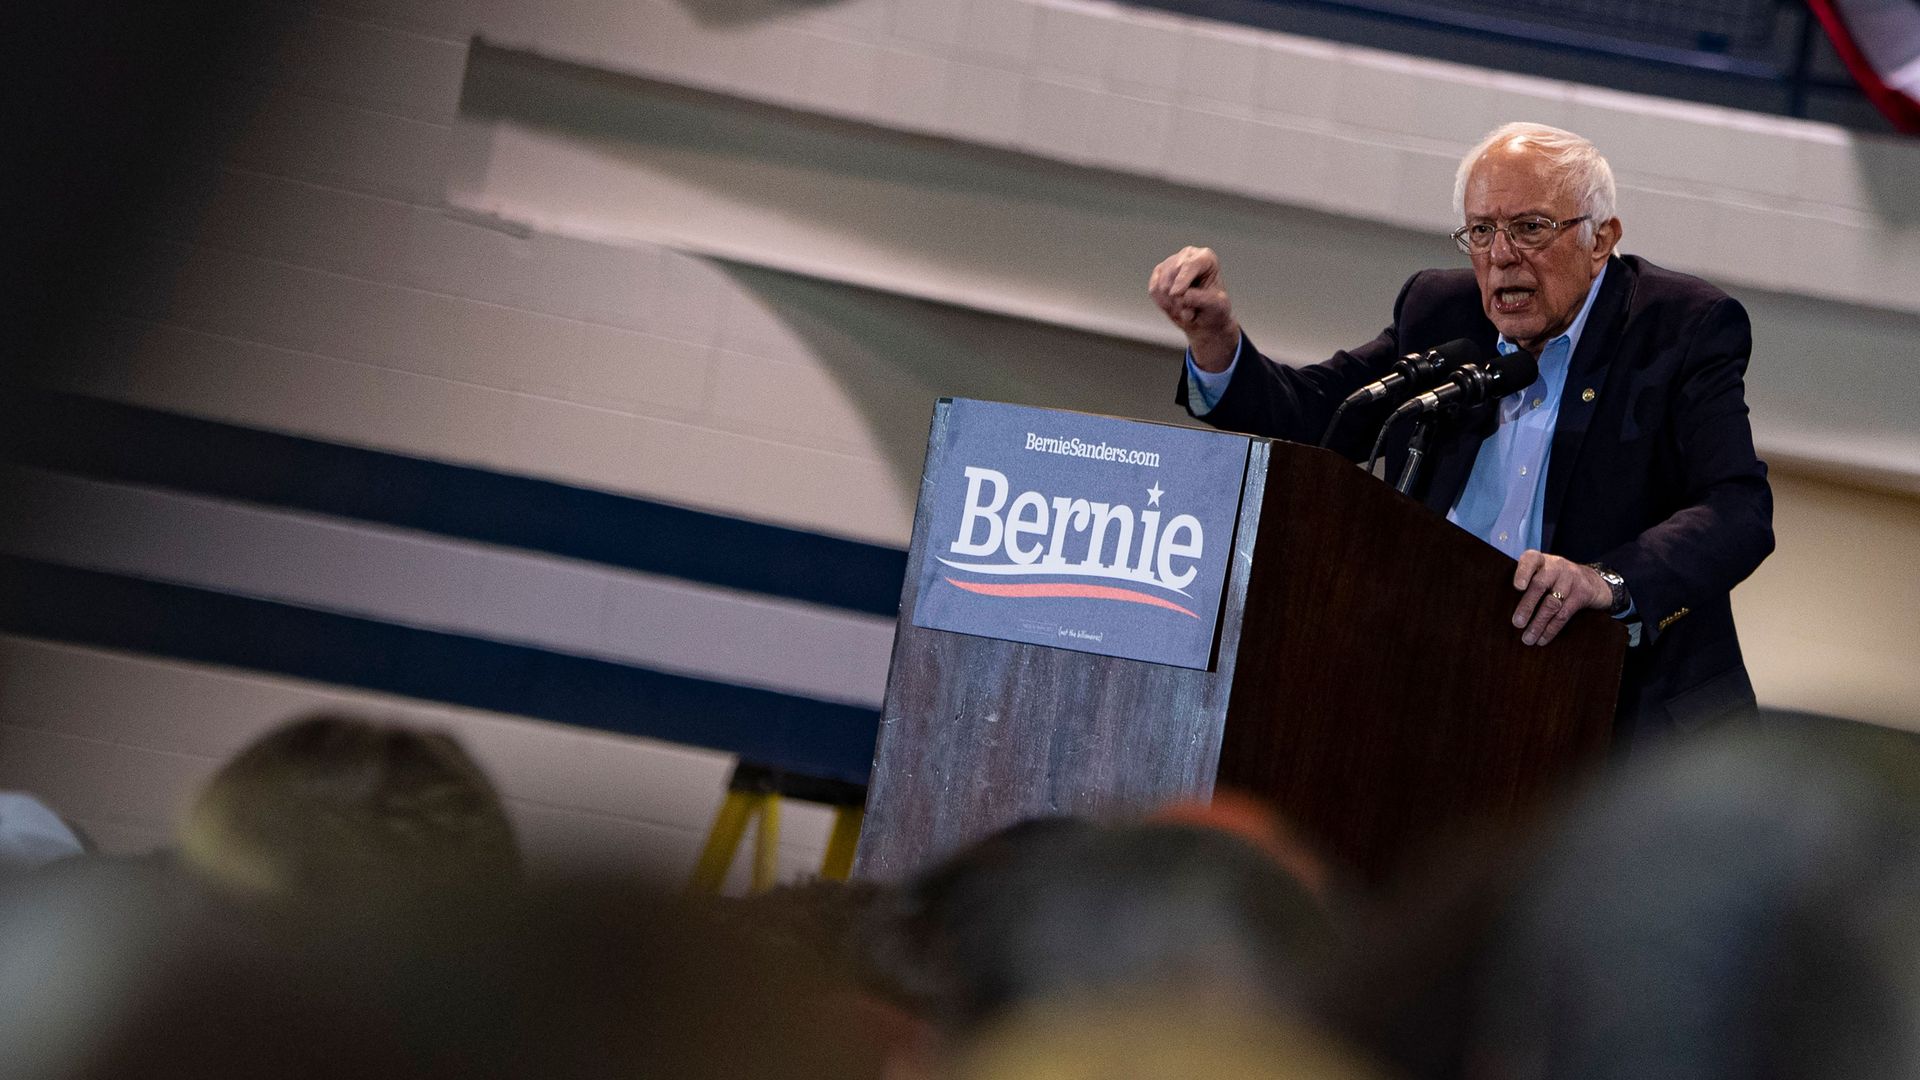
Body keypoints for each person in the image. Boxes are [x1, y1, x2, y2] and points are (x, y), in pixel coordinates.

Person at [1148, 122, 1773, 742]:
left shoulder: (1681, 327)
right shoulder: (1438, 311)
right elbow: (1321, 419)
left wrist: (1605, 581)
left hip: (1620, 714)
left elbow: (1737, 508)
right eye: (1481, 231)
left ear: (1600, 239)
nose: (1501, 256)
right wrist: (1216, 342)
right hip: (1442, 695)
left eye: (1531, 228)